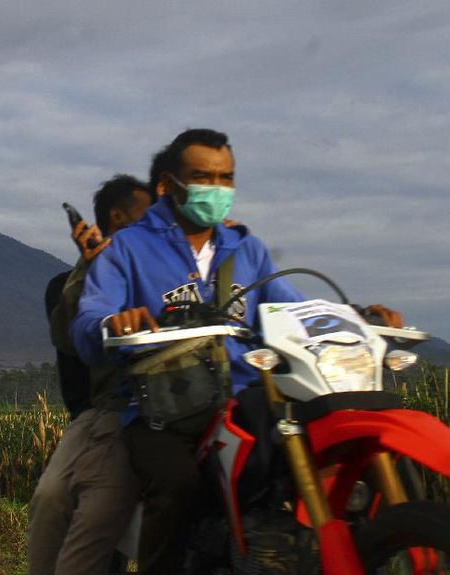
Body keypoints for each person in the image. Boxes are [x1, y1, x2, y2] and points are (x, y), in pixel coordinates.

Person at [71, 129, 402, 573]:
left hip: (248, 396)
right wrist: (112, 321)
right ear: (169, 184)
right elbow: (89, 320)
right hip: (166, 410)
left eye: (225, 178)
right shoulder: (128, 248)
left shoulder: (246, 247)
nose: (217, 188)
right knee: (178, 486)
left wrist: (357, 316)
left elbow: (292, 306)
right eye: (203, 177)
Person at [29, 174, 154, 575]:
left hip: (180, 405)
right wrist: (91, 264)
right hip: (109, 412)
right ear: (117, 219)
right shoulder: (72, 285)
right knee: (51, 500)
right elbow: (69, 337)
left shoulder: (171, 273)